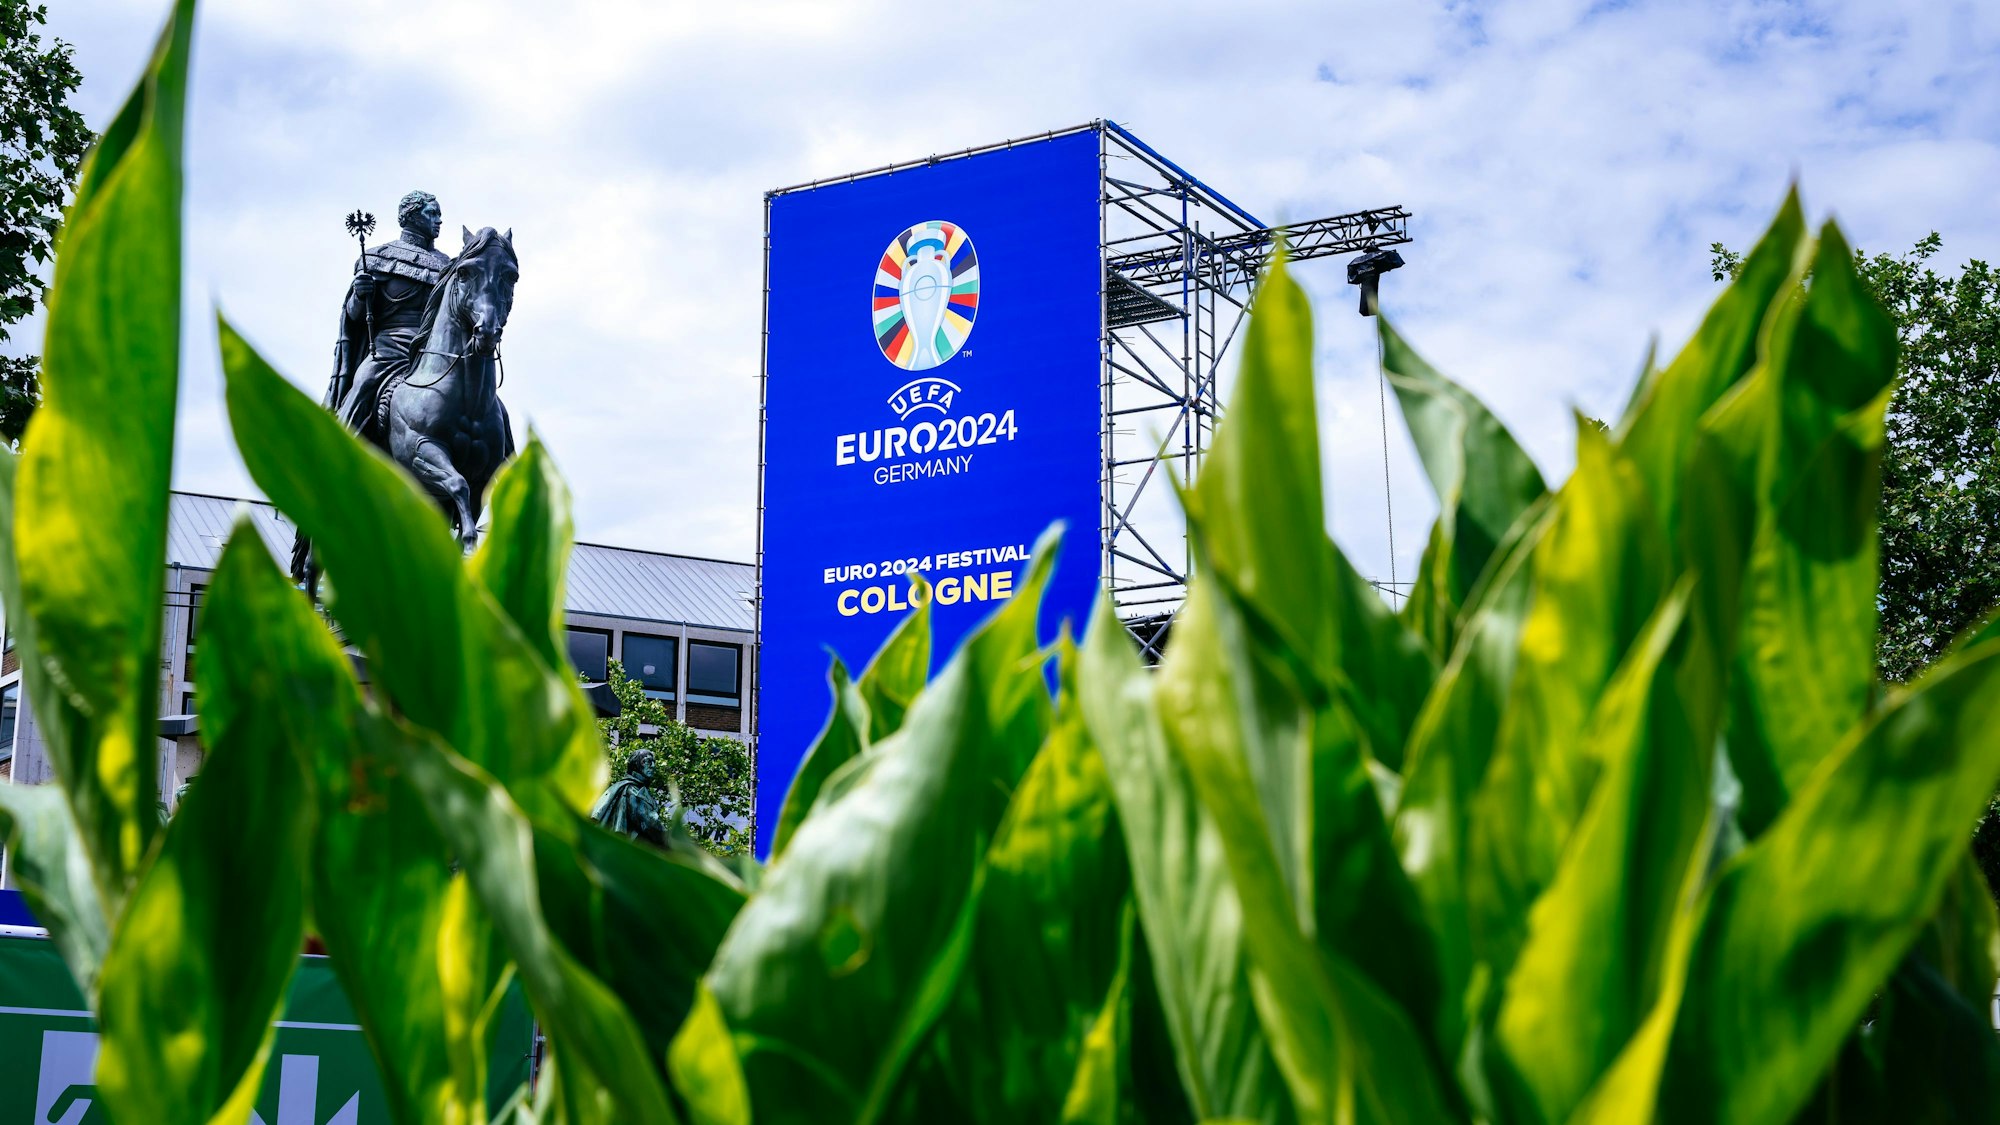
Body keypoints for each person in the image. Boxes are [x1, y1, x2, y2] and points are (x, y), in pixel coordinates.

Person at [324, 190, 450, 445]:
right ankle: (339, 450)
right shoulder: (378, 258)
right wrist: (360, 295)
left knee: (488, 400)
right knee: (365, 383)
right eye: (432, 213)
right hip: (390, 349)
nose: (439, 220)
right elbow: (354, 316)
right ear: (413, 216)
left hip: (437, 352)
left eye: (439, 214)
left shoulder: (447, 265)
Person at [591, 747, 668, 848]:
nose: (653, 766)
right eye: (647, 762)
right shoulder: (633, 791)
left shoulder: (631, 787)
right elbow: (651, 826)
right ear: (636, 765)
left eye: (653, 762)